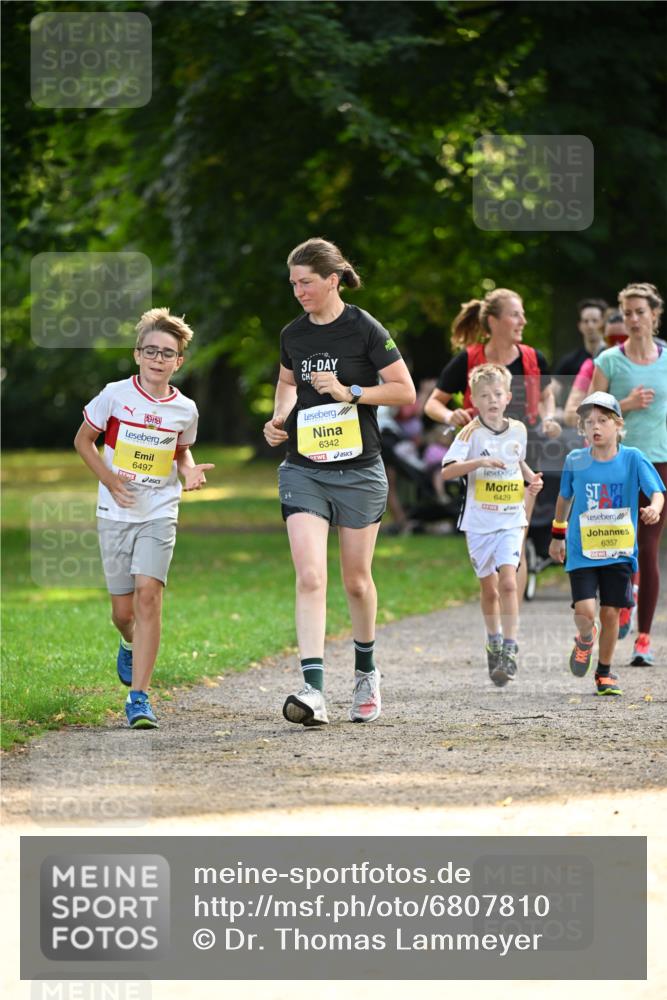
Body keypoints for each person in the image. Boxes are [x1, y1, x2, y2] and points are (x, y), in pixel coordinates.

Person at [264, 238, 415, 726]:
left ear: (332, 280)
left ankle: (367, 673)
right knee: (310, 576)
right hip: (304, 467)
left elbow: (404, 391)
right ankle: (312, 691)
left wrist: (352, 390)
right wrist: (279, 417)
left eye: (306, 282)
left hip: (359, 471)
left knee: (356, 581)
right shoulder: (293, 334)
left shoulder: (364, 328)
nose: (298, 292)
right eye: (293, 284)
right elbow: (288, 383)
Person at [74, 308, 214, 729]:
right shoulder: (115, 395)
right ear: (137, 355)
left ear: (179, 362)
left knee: (148, 594)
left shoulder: (185, 409)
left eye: (167, 353)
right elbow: (84, 441)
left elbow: (181, 450)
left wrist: (188, 470)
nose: (158, 359)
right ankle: (127, 641)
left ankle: (139, 697)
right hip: (115, 513)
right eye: (150, 351)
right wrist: (109, 479)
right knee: (123, 611)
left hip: (159, 510)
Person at [424, 287, 560, 599]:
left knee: (514, 543)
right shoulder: (468, 360)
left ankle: (510, 630)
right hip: (480, 467)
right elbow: (433, 404)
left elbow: (548, 394)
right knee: (487, 549)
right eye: (516, 314)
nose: (522, 320)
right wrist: (450, 415)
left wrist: (548, 417)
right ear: (494, 321)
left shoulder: (532, 358)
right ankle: (496, 624)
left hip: (520, 461)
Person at [548, 392, 664, 695]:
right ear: (582, 428)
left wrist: (654, 507)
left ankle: (604, 672)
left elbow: (657, 492)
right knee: (586, 611)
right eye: (588, 423)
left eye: (602, 421)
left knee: (611, 612)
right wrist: (557, 535)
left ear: (618, 425)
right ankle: (585, 638)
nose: (595, 427)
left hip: (619, 549)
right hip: (582, 549)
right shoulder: (576, 460)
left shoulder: (633, 457)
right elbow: (564, 499)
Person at [442, 363, 543, 686]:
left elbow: (516, 458)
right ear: (474, 398)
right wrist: (480, 462)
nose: (492, 400)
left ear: (508, 397)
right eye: (485, 395)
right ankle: (494, 639)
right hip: (479, 521)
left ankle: (510, 648)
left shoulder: (518, 430)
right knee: (489, 588)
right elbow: (447, 470)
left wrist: (530, 478)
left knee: (509, 582)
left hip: (510, 518)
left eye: (498, 394)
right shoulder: (469, 432)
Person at [591, 282, 667, 665]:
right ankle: (624, 600)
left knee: (648, 547)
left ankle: (643, 637)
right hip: (616, 464)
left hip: (660, 464)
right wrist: (626, 404)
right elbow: (591, 416)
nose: (633, 319)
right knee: (619, 545)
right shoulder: (609, 361)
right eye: (627, 313)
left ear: (655, 314)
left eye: (640, 312)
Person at [563, 311, 627, 427]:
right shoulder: (592, 366)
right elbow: (570, 415)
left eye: (623, 339)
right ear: (603, 338)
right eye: (611, 340)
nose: (617, 345)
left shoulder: (651, 363)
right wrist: (626, 405)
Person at [551, 298, 607, 406]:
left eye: (595, 321)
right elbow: (552, 391)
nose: (590, 326)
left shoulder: (613, 357)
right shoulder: (569, 361)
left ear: (603, 324)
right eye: (586, 321)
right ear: (580, 326)